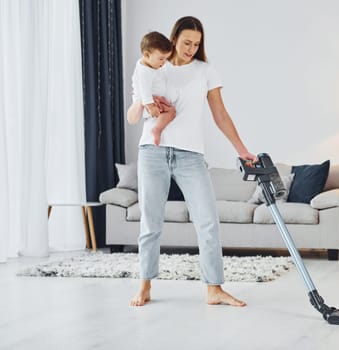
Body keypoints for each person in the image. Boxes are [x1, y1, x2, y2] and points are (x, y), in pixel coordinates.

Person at [128, 16, 257, 307]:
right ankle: (145, 286)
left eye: (196, 44)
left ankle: (214, 289)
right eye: (186, 42)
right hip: (152, 151)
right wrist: (143, 101)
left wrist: (242, 149)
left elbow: (220, 115)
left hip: (190, 155)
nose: (191, 48)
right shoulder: (153, 66)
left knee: (208, 222)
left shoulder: (205, 71)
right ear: (173, 39)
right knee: (150, 224)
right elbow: (132, 117)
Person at [131, 31, 174, 145]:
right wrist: (150, 106)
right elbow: (144, 90)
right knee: (171, 112)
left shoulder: (148, 65)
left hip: (152, 101)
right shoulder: (145, 71)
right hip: (148, 103)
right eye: (161, 59)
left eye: (166, 59)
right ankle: (157, 130)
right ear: (146, 55)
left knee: (169, 108)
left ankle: (157, 128)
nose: (164, 62)